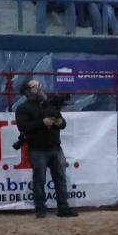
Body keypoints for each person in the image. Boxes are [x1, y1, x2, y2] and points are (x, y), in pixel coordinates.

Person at [14, 79, 75, 218]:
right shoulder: (23, 108)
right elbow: (22, 127)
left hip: (55, 147)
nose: (39, 87)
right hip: (37, 149)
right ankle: (40, 208)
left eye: (39, 85)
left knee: (60, 178)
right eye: (34, 86)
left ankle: (63, 207)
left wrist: (60, 122)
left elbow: (62, 123)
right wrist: (41, 122)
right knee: (39, 179)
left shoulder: (50, 104)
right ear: (26, 91)